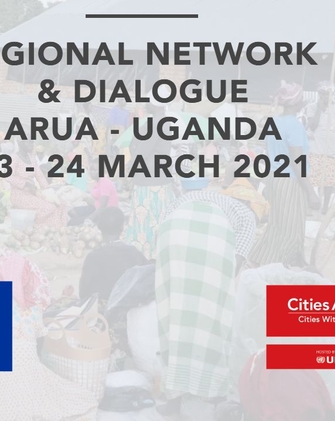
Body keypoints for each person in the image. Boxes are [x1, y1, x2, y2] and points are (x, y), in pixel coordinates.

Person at [155, 199, 238, 418]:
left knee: (173, 314)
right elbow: (232, 270)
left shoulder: (178, 214)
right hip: (206, 239)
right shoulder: (233, 220)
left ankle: (175, 393)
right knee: (215, 315)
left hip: (176, 234)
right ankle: (213, 391)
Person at [248, 83, 314, 267]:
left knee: (278, 224)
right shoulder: (294, 126)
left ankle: (264, 257)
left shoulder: (274, 122)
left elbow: (270, 154)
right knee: (292, 227)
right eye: (301, 99)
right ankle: (285, 263)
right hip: (292, 182)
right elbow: (296, 161)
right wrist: (310, 191)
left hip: (275, 179)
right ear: (295, 103)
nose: (303, 103)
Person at [123, 103, 174, 257]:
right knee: (159, 218)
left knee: (144, 222)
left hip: (149, 182)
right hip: (161, 181)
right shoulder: (164, 122)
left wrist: (128, 167)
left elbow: (142, 151)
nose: (145, 105)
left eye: (148, 102)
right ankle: (158, 253)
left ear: (155, 104)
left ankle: (145, 254)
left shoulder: (155, 124)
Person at [79, 207, 147, 305]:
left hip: (102, 313)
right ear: (122, 227)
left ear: (99, 226)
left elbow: (83, 293)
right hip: (130, 312)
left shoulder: (93, 257)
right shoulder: (135, 253)